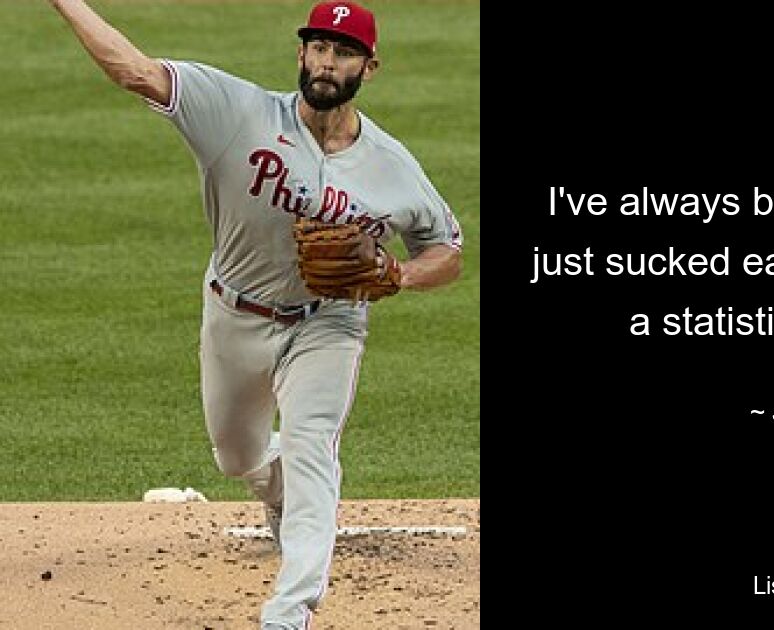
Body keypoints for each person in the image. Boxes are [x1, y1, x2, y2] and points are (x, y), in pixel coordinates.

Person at [47, 1, 464, 627]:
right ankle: (275, 491)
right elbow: (134, 70)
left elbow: (447, 249)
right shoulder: (235, 112)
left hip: (329, 323)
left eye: (344, 51)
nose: (327, 62)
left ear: (369, 67)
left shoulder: (393, 165)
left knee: (313, 448)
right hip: (233, 315)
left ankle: (288, 613)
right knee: (237, 457)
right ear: (300, 53)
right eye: (318, 47)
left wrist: (400, 274)